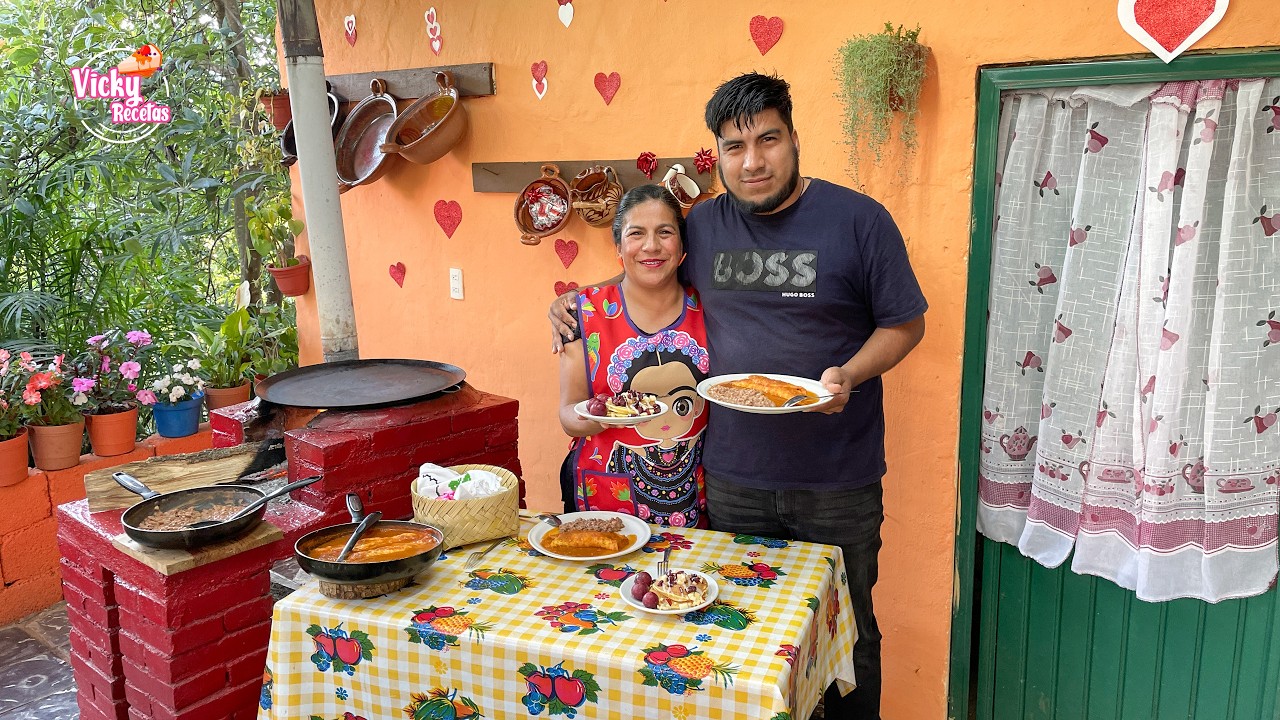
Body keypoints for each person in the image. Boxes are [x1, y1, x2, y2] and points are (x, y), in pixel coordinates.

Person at [550, 73, 927, 719]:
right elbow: (649, 262)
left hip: (838, 478)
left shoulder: (859, 220)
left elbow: (905, 324)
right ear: (718, 155)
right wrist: (577, 302)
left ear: (794, 139)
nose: (752, 162)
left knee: (849, 634)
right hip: (732, 479)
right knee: (739, 630)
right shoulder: (705, 224)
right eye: (734, 146)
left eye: (767, 140)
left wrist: (851, 373)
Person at [557, 184, 711, 528]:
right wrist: (607, 417)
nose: (651, 246)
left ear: (682, 246)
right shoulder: (582, 314)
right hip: (604, 491)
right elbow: (567, 414)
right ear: (619, 247)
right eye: (636, 233)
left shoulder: (710, 309)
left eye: (665, 232)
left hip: (691, 492)